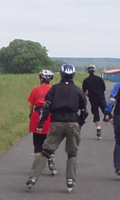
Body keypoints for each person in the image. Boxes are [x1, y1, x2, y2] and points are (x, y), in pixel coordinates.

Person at [26, 64, 88, 193]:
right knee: (72, 153)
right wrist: (79, 123)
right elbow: (84, 111)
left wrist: (41, 123)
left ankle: (33, 177)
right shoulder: (77, 90)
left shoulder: (54, 89)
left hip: (56, 123)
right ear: (73, 75)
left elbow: (46, 108)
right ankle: (70, 180)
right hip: (72, 123)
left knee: (46, 151)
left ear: (61, 74)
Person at [28, 69, 57, 175]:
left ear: (41, 79)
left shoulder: (36, 89)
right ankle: (51, 161)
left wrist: (31, 115)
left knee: (37, 141)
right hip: (49, 116)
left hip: (37, 115)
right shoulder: (53, 90)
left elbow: (31, 105)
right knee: (50, 140)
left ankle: (37, 166)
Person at [82, 64, 107, 140]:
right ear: (94, 70)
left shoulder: (86, 81)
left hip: (93, 99)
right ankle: (116, 129)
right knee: (107, 113)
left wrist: (88, 94)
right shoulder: (99, 79)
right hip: (101, 98)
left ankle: (98, 130)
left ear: (88, 71)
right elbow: (104, 88)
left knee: (96, 114)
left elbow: (84, 91)